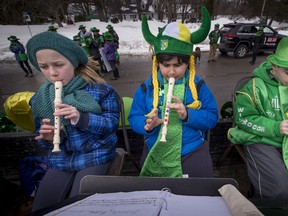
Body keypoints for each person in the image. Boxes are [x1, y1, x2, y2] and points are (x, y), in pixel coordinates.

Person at [26, 31, 120, 211]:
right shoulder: (41, 98)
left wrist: (81, 118)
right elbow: (42, 137)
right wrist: (51, 138)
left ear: (74, 62)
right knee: (42, 205)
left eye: (59, 65)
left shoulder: (100, 90)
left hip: (95, 155)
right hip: (60, 159)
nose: (52, 73)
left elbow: (111, 125)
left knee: (79, 205)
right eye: (44, 67)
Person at [128, 6, 218, 178]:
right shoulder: (147, 87)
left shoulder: (198, 86)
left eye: (177, 65)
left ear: (188, 63)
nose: (171, 72)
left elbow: (212, 118)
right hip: (155, 144)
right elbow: (134, 117)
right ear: (157, 64)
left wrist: (188, 115)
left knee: (201, 186)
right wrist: (147, 125)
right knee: (150, 189)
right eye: (165, 65)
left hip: (191, 147)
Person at [228, 37, 288, 204]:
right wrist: (276, 127)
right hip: (262, 140)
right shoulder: (254, 88)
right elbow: (243, 119)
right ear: (275, 66)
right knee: (279, 190)